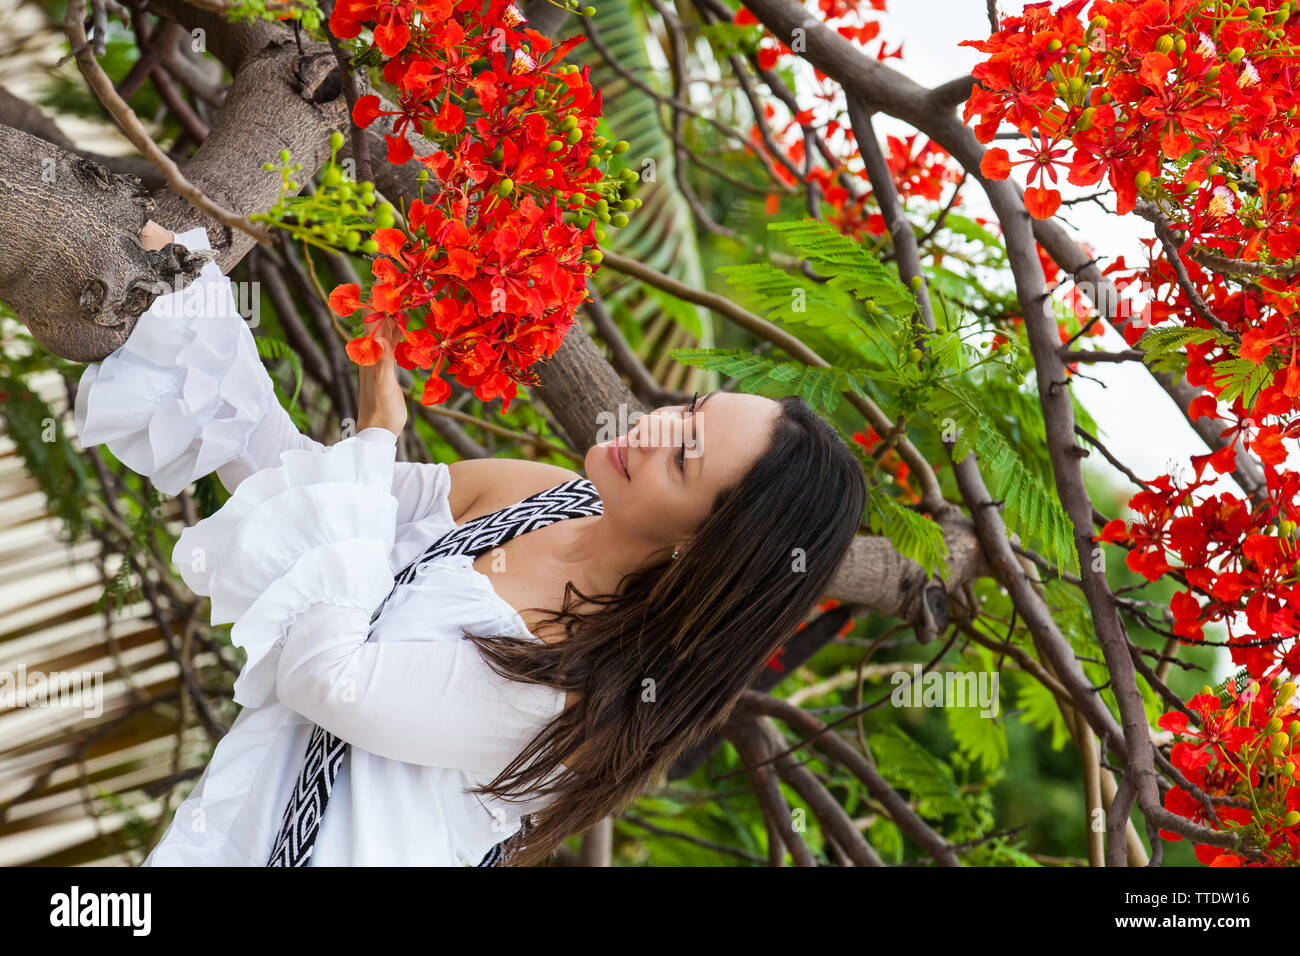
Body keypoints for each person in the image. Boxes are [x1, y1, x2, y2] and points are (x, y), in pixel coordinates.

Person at [72, 219, 867, 866]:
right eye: (691, 410)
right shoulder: (542, 495)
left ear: (710, 546)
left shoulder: (583, 693)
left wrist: (380, 436)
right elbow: (313, 498)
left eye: (685, 456)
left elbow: (331, 679)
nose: (655, 427)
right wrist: (187, 299)